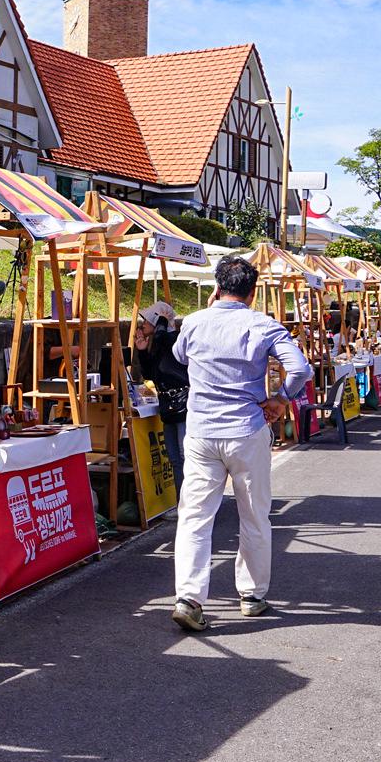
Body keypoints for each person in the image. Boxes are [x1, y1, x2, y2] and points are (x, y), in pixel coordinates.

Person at [170, 257, 312, 633]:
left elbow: (179, 356)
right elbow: (300, 369)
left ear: (217, 287)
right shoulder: (263, 325)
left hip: (201, 432)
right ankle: (251, 595)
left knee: (195, 518)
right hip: (246, 430)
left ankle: (189, 598)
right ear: (252, 293)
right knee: (254, 515)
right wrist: (280, 398)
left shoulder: (195, 321)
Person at [131, 300, 187, 463]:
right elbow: (149, 374)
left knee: (185, 456)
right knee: (174, 459)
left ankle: (188, 490)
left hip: (183, 404)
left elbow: (163, 338)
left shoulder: (174, 339)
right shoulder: (156, 344)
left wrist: (161, 319)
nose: (142, 325)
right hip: (166, 405)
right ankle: (179, 490)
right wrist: (142, 352)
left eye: (147, 320)